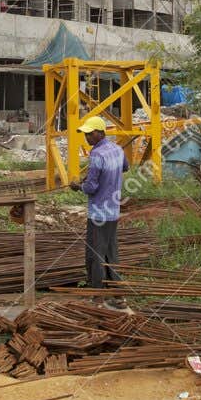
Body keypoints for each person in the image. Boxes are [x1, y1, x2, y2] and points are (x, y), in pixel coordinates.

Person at [74, 115, 126, 297]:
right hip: (114, 210)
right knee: (110, 248)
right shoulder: (118, 149)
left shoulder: (96, 154)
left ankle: (96, 287)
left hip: (98, 212)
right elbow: (124, 167)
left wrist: (78, 186)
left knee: (95, 250)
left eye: (90, 133)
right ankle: (114, 283)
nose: (87, 137)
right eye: (85, 134)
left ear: (100, 133)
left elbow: (91, 187)